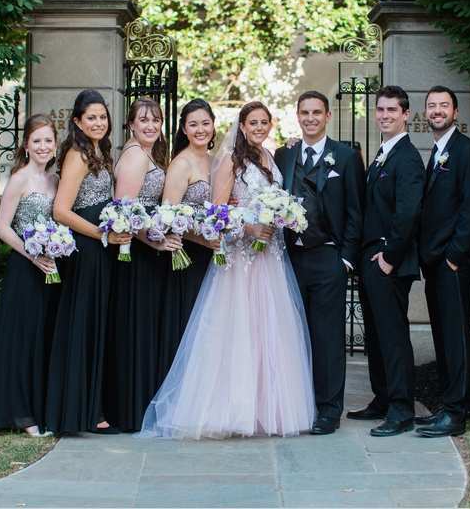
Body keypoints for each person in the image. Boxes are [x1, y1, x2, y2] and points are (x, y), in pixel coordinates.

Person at [138, 101, 315, 439]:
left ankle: (267, 410)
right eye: (252, 123)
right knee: (237, 331)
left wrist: (281, 216)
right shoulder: (231, 161)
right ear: (242, 126)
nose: (258, 128)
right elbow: (219, 212)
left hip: (271, 257)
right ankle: (232, 411)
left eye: (264, 122)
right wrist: (250, 227)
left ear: (270, 125)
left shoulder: (271, 157)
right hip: (242, 258)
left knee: (269, 332)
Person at [274, 90, 364, 436]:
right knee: (294, 335)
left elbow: (356, 210)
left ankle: (329, 410)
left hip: (328, 258)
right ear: (297, 116)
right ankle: (301, 405)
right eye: (304, 113)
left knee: (328, 338)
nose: (310, 118)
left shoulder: (346, 156)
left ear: (328, 116)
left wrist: (346, 260)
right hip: (292, 259)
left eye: (316, 112)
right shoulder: (284, 155)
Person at [45, 89, 130, 434]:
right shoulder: (77, 155)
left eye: (102, 117)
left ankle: (93, 405)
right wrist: (100, 234)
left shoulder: (100, 152)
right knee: (84, 325)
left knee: (98, 325)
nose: (98, 122)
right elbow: (61, 211)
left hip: (102, 249)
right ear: (78, 122)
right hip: (86, 249)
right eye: (91, 117)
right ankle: (83, 410)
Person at [347, 85, 425, 437]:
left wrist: (390, 257)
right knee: (376, 336)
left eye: (392, 110)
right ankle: (382, 398)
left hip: (389, 261)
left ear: (406, 114)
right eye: (380, 109)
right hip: (372, 258)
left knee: (393, 337)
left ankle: (401, 408)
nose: (385, 115)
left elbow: (408, 213)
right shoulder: (383, 153)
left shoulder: (407, 157)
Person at [104, 98, 181, 432]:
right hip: (135, 256)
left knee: (146, 328)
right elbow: (124, 212)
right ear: (131, 125)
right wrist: (155, 241)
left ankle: (141, 404)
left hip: (148, 253)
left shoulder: (149, 154)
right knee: (135, 329)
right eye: (144, 120)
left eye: (156, 120)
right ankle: (129, 410)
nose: (151, 126)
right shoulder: (135, 156)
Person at [0, 114, 60, 438]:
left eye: (48, 140)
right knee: (24, 339)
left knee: (44, 338)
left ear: (55, 144)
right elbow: (1, 227)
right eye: (37, 140)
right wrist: (33, 254)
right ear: (26, 145)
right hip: (25, 269)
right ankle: (23, 415)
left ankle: (41, 408)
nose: (43, 146)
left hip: (50, 268)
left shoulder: (55, 180)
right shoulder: (20, 179)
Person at [414, 86, 470, 438]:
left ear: (456, 113)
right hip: (435, 262)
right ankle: (447, 404)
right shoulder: (438, 150)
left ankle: (456, 413)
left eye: (444, 105)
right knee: (442, 336)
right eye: (432, 106)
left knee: (455, 337)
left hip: (453, 263)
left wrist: (455, 256)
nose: (437, 111)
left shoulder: (464, 150)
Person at [157, 99, 218, 384]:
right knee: (190, 325)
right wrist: (203, 240)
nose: (200, 129)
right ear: (184, 129)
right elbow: (169, 216)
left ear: (213, 125)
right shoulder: (181, 164)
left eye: (205, 123)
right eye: (193, 124)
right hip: (188, 256)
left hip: (212, 256)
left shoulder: (215, 161)